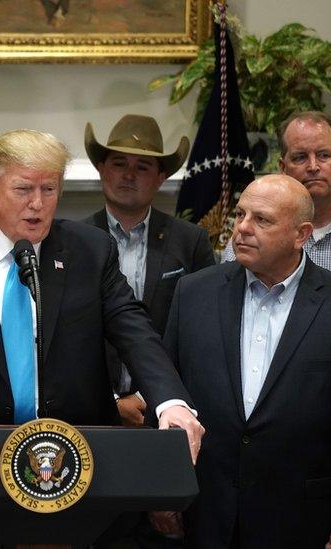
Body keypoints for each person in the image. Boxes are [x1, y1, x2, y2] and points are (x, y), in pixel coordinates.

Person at [0, 129, 203, 545]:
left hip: (78, 472)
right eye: (23, 189)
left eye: (49, 189)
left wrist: (170, 402)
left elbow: (134, 329)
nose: (37, 203)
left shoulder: (90, 250)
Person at [168, 174, 331, 548]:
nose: (241, 228)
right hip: (207, 512)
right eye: (241, 214)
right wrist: (163, 491)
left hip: (304, 519)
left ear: (301, 234)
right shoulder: (195, 293)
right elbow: (169, 393)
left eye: (262, 219)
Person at [81, 113, 214, 426]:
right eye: (118, 163)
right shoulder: (73, 241)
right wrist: (113, 401)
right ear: (100, 169)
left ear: (161, 177)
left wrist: (146, 396)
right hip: (89, 411)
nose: (129, 175)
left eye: (142, 167)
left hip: (167, 410)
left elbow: (202, 331)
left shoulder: (191, 241)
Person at [221, 111, 331, 280]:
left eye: (323, 155)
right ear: (283, 168)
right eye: (300, 157)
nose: (313, 166)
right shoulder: (251, 234)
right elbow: (229, 292)